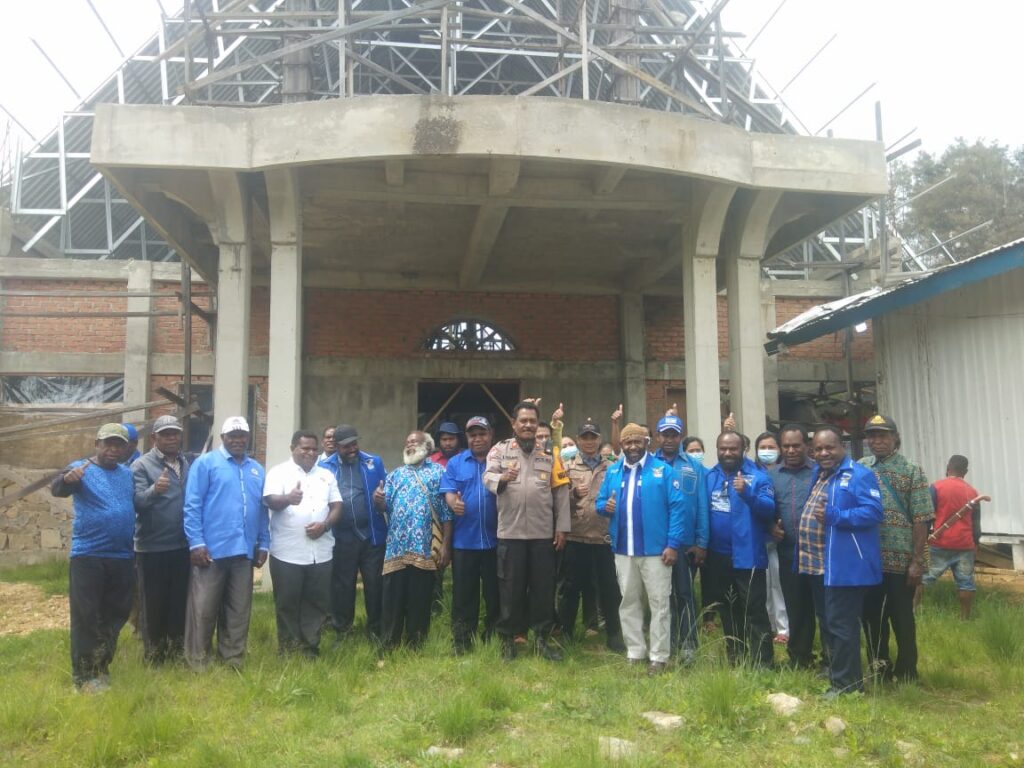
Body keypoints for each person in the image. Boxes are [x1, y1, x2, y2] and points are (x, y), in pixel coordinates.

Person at [596, 423, 694, 675]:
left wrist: (673, 545)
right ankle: (635, 651)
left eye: (637, 442)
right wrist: (603, 507)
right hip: (623, 550)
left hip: (656, 552)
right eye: (628, 442)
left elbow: (678, 509)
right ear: (621, 445)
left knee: (659, 603)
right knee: (628, 602)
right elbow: (599, 502)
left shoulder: (663, 471)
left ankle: (659, 656)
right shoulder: (614, 471)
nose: (632, 446)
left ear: (647, 442)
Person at [51, 423, 136, 692]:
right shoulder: (81, 468)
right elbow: (58, 488)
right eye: (108, 443)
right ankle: (83, 677)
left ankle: (101, 667)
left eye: (119, 444)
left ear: (125, 449)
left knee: (116, 613)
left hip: (122, 555)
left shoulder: (126, 474)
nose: (113, 449)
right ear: (97, 444)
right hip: (89, 555)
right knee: (86, 616)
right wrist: (66, 480)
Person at [484, 401, 570, 661]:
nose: (528, 425)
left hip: (542, 535)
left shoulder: (549, 454)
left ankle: (541, 639)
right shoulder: (499, 451)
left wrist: (562, 528)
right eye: (523, 421)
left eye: (532, 421)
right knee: (510, 590)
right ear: (514, 424)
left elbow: (561, 493)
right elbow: (487, 477)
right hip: (510, 535)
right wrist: (502, 479)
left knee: (543, 590)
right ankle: (508, 640)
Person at [802, 426, 884, 697]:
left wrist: (837, 516)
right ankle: (843, 679)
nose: (824, 453)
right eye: (818, 449)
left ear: (842, 447)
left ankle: (847, 686)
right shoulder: (821, 474)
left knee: (842, 626)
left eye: (829, 447)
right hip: (826, 566)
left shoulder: (859, 474)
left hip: (848, 565)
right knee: (835, 624)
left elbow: (873, 512)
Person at [182, 416, 269, 670]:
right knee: (204, 609)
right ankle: (198, 661)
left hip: (244, 551)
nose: (238, 440)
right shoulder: (206, 464)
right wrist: (196, 543)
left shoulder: (256, 469)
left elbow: (262, 510)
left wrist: (263, 543)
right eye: (233, 435)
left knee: (238, 609)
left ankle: (232, 659)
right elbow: (192, 505)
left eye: (242, 435)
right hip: (211, 550)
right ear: (223, 438)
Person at [859, 414, 933, 683]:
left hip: (901, 563)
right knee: (871, 619)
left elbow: (921, 518)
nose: (876, 440)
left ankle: (907, 672)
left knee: (902, 619)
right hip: (869, 562)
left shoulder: (912, 470)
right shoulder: (860, 467)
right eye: (872, 435)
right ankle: (879, 669)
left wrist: (917, 561)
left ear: (895, 438)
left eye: (882, 435)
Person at [263, 430, 342, 657]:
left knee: (316, 603)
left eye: (314, 449)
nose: (310, 453)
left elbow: (337, 506)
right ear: (293, 448)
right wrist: (288, 498)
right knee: (287, 603)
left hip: (321, 552)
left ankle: (310, 648)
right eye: (305, 448)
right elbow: (270, 501)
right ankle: (288, 649)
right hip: (288, 553)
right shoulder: (279, 472)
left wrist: (325, 526)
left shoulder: (326, 475)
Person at [703, 431, 776, 667]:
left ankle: (763, 662)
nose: (727, 453)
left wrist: (747, 492)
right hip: (718, 556)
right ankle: (736, 657)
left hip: (748, 555)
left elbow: (768, 510)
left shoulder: (758, 477)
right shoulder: (709, 477)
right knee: (727, 609)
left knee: (754, 610)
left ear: (743, 449)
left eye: (732, 448)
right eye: (723, 448)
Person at [558, 419, 625, 653]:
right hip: (576, 537)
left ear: (599, 439)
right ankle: (565, 633)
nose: (589, 441)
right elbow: (556, 500)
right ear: (577, 440)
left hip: (604, 538)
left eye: (593, 437)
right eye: (584, 437)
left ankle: (614, 633)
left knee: (610, 589)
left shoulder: (612, 467)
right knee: (570, 589)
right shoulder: (567, 466)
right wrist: (573, 494)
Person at [381, 431, 452, 649]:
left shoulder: (439, 473)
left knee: (420, 599)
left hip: (424, 549)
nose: (410, 445)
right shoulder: (395, 475)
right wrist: (377, 501)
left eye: (415, 442)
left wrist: (447, 546)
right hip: (396, 549)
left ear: (427, 447)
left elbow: (446, 514)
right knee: (393, 600)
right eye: (407, 442)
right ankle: (389, 644)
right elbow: (384, 507)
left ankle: (416, 644)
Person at [318, 424, 388, 642]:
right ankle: (343, 630)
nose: (352, 449)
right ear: (336, 446)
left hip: (372, 535)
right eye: (346, 446)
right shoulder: (325, 467)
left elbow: (386, 490)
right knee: (343, 586)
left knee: (375, 584)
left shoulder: (373, 462)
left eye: (354, 443)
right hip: (342, 537)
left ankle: (376, 628)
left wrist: (382, 499)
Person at [131, 414, 191, 664]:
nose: (171, 438)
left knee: (178, 601)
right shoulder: (142, 466)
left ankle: (176, 651)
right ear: (154, 437)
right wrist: (155, 490)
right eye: (165, 434)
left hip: (181, 545)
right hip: (152, 547)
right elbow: (136, 502)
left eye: (175, 433)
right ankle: (154, 655)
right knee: (153, 603)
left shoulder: (185, 463)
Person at [441, 416, 500, 654]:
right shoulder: (456, 463)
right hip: (464, 541)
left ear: (490, 435)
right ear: (467, 438)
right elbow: (448, 491)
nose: (477, 439)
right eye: (473, 435)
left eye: (482, 434)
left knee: (495, 593)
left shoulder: (500, 461)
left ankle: (495, 635)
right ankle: (462, 640)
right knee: (464, 595)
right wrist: (454, 503)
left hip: (497, 540)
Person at [653, 414, 708, 665]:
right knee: (661, 596)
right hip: (656, 543)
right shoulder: (649, 464)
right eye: (665, 434)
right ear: (658, 436)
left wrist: (702, 541)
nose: (669, 439)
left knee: (684, 594)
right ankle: (665, 641)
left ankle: (688, 643)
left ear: (680, 437)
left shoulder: (693, 466)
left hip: (686, 543)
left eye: (674, 434)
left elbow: (702, 505)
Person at [770, 424, 821, 669]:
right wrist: (770, 527)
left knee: (824, 609)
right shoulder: (773, 475)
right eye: (786, 446)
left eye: (796, 445)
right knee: (796, 607)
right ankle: (800, 658)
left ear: (806, 446)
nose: (791, 450)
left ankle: (831, 658)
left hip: (820, 553)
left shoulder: (820, 471)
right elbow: (767, 508)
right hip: (788, 553)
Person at [918, 455, 987, 620]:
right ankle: (965, 618)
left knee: (922, 579)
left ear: (948, 467)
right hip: (964, 544)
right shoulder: (972, 492)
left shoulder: (936, 487)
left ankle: (913, 611)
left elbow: (927, 516)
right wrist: (975, 544)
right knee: (965, 582)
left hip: (939, 542)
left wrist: (922, 540)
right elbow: (976, 524)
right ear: (966, 471)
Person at [755, 431, 790, 647]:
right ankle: (768, 625)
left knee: (779, 585)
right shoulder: (753, 472)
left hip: (783, 539)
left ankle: (784, 627)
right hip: (760, 538)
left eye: (771, 447)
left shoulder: (785, 472)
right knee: (763, 586)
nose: (767, 451)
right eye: (762, 447)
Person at [429, 421, 461, 612]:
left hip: (463, 518)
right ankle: (436, 604)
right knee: (438, 561)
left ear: (458, 440)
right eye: (444, 439)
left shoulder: (465, 458)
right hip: (440, 521)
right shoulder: (432, 461)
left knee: (461, 566)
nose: (448, 443)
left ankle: (458, 602)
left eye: (451, 439)